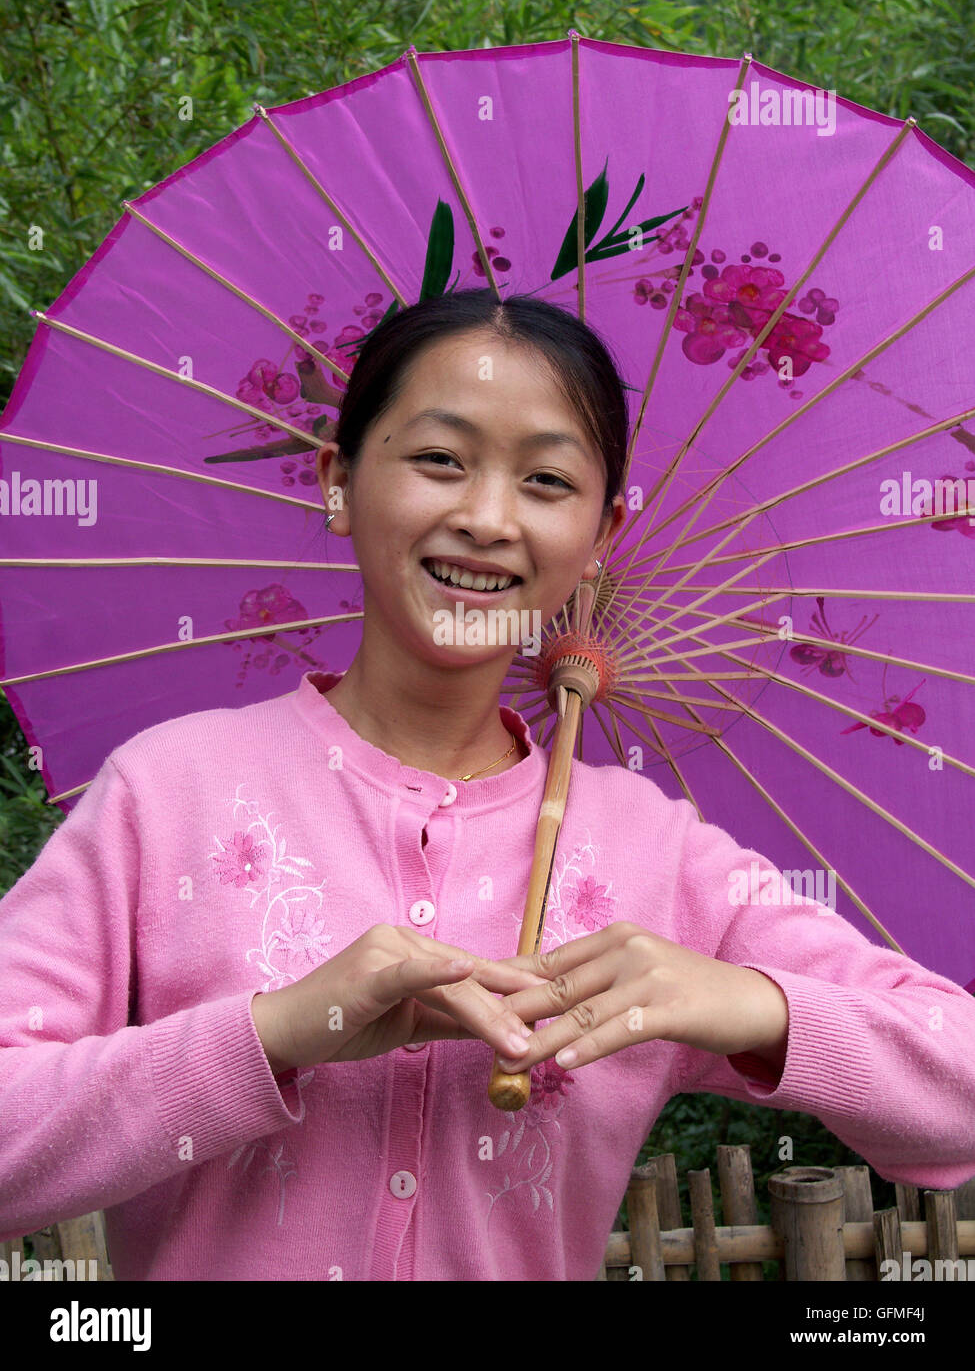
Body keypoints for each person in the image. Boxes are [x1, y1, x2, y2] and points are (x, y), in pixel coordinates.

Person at [1, 287, 974, 1283]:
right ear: (337, 480)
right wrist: (283, 1031)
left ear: (604, 531)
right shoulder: (167, 795)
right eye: (439, 460)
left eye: (548, 479)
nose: (485, 517)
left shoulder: (657, 853)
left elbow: (960, 1081)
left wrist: (743, 1000)